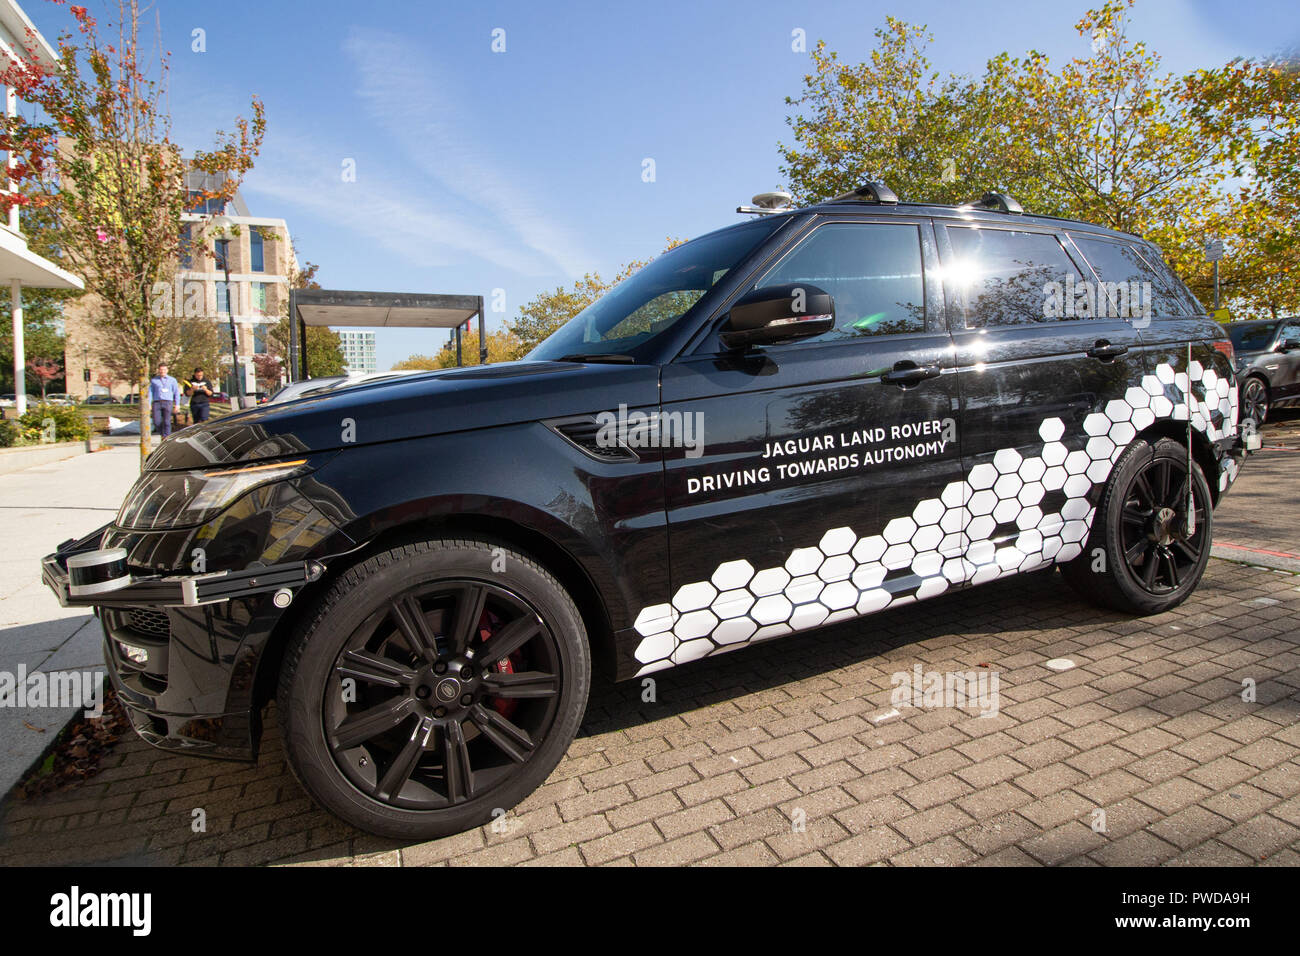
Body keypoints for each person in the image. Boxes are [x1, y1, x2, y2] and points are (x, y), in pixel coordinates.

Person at [149, 363, 181, 438]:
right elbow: (150, 392)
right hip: (157, 402)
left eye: (164, 369)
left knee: (167, 422)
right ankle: (162, 434)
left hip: (168, 402)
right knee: (157, 422)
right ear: (158, 370)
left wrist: (177, 404)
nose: (162, 371)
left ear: (167, 370)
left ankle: (167, 437)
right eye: (161, 370)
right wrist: (149, 403)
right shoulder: (154, 380)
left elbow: (176, 392)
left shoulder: (172, 380)